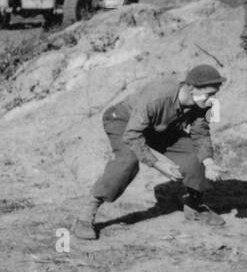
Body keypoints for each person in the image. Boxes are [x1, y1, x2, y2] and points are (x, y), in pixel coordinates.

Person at [74, 65, 226, 240]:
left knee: (196, 156)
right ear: (191, 88)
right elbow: (132, 135)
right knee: (127, 162)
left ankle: (194, 205)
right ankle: (86, 214)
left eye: (214, 95)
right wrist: (158, 164)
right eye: (208, 94)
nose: (211, 100)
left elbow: (201, 134)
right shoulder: (157, 97)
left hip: (159, 127)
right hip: (124, 122)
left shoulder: (205, 104)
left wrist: (208, 162)